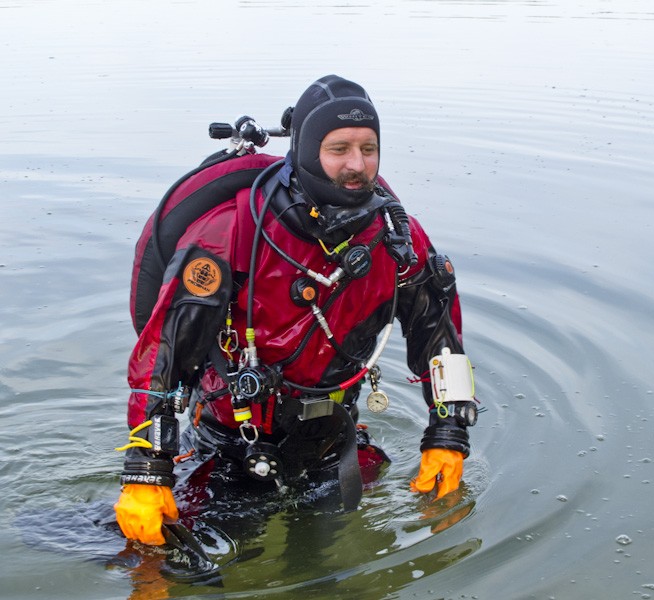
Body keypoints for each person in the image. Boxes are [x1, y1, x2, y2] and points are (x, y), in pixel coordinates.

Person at [114, 75, 479, 546]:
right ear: (307, 150)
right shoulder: (233, 230)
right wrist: (146, 474)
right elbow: (161, 357)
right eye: (339, 148)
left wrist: (447, 435)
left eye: (369, 149)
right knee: (176, 559)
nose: (357, 165)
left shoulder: (396, 238)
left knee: (329, 569)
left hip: (330, 440)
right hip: (230, 445)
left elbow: (441, 340)